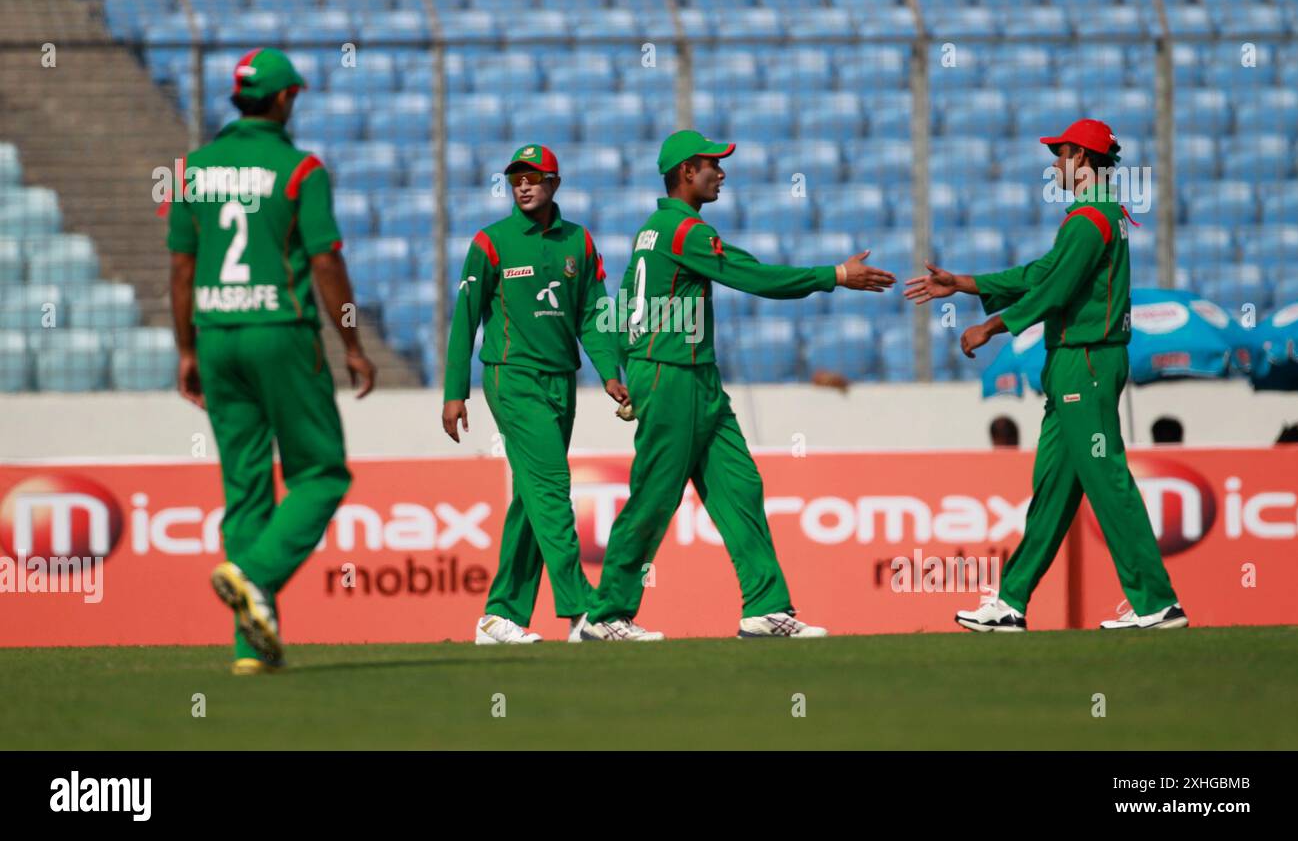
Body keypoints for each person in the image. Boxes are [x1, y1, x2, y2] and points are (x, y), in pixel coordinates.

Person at [580, 130, 896, 641]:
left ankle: (766, 608)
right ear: (686, 172)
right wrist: (834, 274)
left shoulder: (651, 230)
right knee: (655, 497)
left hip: (692, 374)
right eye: (712, 165)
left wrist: (619, 368)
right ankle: (608, 613)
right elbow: (755, 277)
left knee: (739, 486)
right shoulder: (684, 231)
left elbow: (622, 303)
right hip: (671, 374)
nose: (721, 173)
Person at [905, 118, 1187, 632]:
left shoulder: (1089, 220)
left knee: (1108, 480)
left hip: (1086, 363)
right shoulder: (1097, 217)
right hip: (1076, 364)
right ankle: (1011, 602)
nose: (1055, 165)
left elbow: (1052, 293)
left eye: (1060, 155)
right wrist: (964, 283)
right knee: (1054, 488)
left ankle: (1156, 602)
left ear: (1082, 158)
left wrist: (991, 326)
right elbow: (1041, 275)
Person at [167, 48, 376, 675]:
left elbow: (179, 267)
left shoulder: (192, 170)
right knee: (322, 473)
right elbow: (325, 262)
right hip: (281, 332)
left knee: (246, 488)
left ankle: (249, 648)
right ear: (285, 100)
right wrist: (352, 343)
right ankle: (253, 573)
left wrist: (185, 349)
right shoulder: (300, 169)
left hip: (215, 332)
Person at [442, 144, 627, 644]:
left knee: (531, 498)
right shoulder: (491, 242)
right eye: (515, 178)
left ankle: (499, 616)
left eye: (534, 177)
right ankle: (584, 612)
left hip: (561, 380)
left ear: (555, 184)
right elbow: (466, 319)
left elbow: (593, 313)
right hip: (512, 377)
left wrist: (610, 372)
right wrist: (455, 391)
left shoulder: (579, 243)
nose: (523, 185)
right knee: (550, 491)